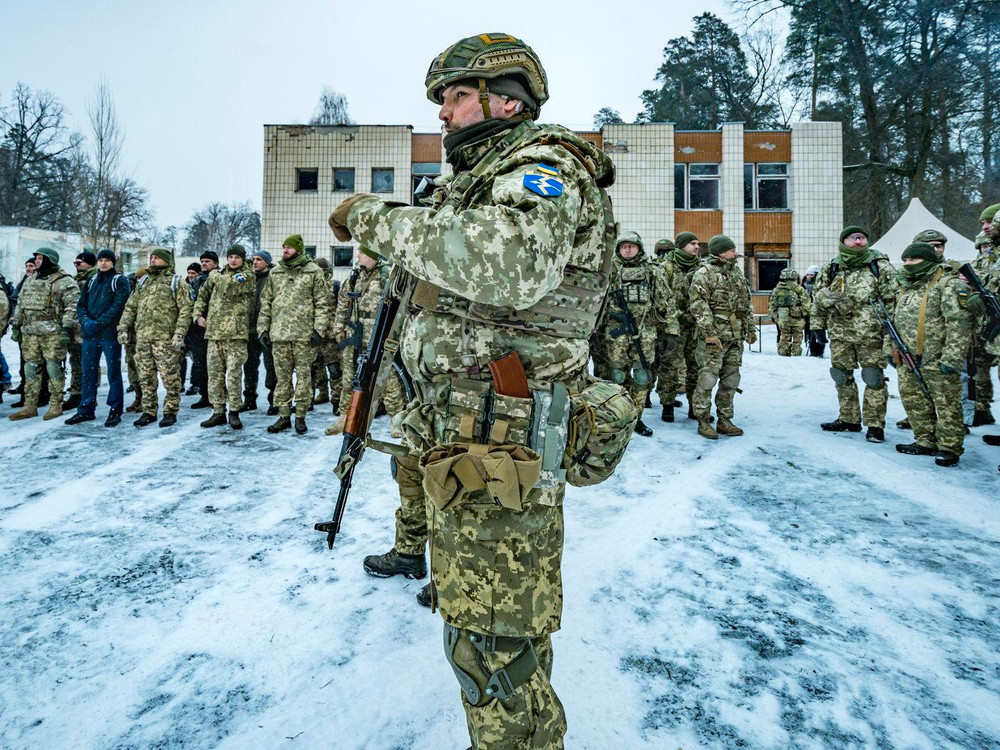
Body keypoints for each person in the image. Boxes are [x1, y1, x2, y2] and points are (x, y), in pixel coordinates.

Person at [328, 32, 617, 748]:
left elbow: (509, 263)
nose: (443, 112)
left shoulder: (542, 166)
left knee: (494, 649)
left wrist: (373, 218)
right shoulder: (480, 178)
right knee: (486, 631)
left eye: (456, 96)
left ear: (506, 100)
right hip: (466, 435)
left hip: (502, 445)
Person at [811, 226, 898, 443]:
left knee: (874, 377)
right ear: (843, 242)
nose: (858, 241)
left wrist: (890, 332)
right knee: (841, 376)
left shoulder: (879, 266)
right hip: (840, 333)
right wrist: (817, 327)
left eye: (862, 237)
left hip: (872, 334)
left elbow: (892, 300)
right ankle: (848, 418)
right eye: (852, 238)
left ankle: (875, 425)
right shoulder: (832, 267)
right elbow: (818, 298)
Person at [891, 243, 974, 466]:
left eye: (913, 260)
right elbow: (895, 321)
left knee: (946, 403)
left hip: (937, 358)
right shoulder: (906, 286)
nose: (908, 264)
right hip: (908, 357)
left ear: (928, 261)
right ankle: (925, 440)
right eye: (905, 260)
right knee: (913, 399)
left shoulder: (948, 284)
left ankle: (949, 447)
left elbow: (959, 323)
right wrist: (891, 350)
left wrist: (952, 357)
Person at [596, 231, 674, 436]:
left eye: (631, 246)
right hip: (616, 334)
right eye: (624, 246)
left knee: (642, 376)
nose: (628, 250)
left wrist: (671, 331)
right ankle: (617, 415)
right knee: (616, 376)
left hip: (645, 333)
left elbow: (667, 302)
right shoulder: (610, 270)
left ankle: (636, 418)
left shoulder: (652, 271)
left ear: (639, 248)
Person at [325, 247, 408, 436]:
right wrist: (339, 328)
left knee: (387, 380)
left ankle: (396, 420)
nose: (358, 256)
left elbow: (400, 305)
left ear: (372, 255)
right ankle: (344, 418)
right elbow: (342, 303)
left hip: (378, 336)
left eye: (362, 253)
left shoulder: (388, 275)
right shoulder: (354, 277)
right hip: (354, 334)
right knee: (349, 380)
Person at [257, 234, 329, 435]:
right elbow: (266, 303)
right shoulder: (276, 272)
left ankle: (300, 416)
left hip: (303, 336)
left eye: (289, 247)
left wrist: (318, 329)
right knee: (282, 378)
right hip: (279, 335)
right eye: (284, 247)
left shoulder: (313, 271)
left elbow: (322, 303)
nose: (285, 250)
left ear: (299, 249)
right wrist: (263, 329)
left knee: (304, 377)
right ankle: (283, 415)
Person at [688, 235, 756, 439]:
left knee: (731, 380)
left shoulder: (735, 272)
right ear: (720, 252)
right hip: (714, 338)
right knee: (707, 379)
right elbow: (698, 306)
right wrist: (710, 333)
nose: (735, 253)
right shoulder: (704, 273)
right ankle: (703, 420)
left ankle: (725, 420)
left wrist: (750, 328)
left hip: (735, 337)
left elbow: (745, 303)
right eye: (731, 250)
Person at [118, 249, 192, 428]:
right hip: (143, 338)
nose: (153, 260)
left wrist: (179, 333)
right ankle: (149, 410)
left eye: (157, 258)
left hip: (165, 339)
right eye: (152, 257)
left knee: (170, 377)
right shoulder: (144, 281)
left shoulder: (176, 282)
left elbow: (186, 309)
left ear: (166, 261)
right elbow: (131, 307)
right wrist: (123, 328)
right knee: (145, 377)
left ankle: (170, 411)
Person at [9, 247, 80, 421]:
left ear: (50, 260)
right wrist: (16, 325)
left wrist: (66, 329)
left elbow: (73, 306)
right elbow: (21, 304)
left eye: (40, 258)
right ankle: (29, 405)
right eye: (36, 258)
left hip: (53, 333)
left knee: (54, 367)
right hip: (30, 332)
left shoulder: (64, 281)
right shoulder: (30, 279)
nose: (37, 261)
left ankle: (56, 404)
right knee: (30, 368)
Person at [192, 244, 256, 430]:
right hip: (214, 332)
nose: (233, 260)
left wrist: (213, 275)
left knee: (233, 374)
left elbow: (228, 286)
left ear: (242, 259)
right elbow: (202, 295)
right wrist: (198, 315)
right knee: (214, 374)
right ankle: (218, 410)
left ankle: (234, 411)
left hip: (235, 334)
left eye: (237, 257)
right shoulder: (218, 274)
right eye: (231, 257)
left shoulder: (246, 275)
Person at [66, 249, 130, 426]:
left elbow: (119, 305)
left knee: (113, 372)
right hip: (90, 335)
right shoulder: (92, 281)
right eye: (101, 260)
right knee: (88, 372)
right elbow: (81, 305)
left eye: (107, 260)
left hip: (109, 335)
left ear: (112, 262)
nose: (103, 263)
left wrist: (100, 323)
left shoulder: (119, 280)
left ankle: (115, 409)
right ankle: (86, 409)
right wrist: (85, 321)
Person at [656, 232, 702, 422]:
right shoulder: (666, 267)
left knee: (696, 367)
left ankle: (695, 406)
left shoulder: (701, 268)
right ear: (681, 246)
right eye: (692, 243)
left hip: (696, 326)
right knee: (669, 367)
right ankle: (667, 405)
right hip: (672, 327)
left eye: (698, 243)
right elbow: (662, 298)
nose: (697, 247)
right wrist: (679, 316)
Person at [242, 250, 277, 414]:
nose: (255, 262)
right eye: (253, 259)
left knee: (271, 366)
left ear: (267, 262)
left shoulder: (274, 278)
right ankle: (249, 399)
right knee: (249, 366)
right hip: (249, 330)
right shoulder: (248, 278)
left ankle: (274, 400)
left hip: (267, 330)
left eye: (259, 259)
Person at [63, 251, 97, 411]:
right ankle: (77, 391)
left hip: (88, 326)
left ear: (89, 263)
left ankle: (88, 393)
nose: (76, 266)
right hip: (75, 327)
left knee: (89, 362)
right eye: (75, 263)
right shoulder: (75, 280)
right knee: (76, 360)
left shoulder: (95, 279)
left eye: (79, 263)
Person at [186, 251, 218, 408]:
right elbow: (190, 303)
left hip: (216, 328)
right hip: (198, 329)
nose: (204, 264)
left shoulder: (220, 278)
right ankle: (205, 395)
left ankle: (216, 397)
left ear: (216, 263)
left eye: (208, 261)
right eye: (202, 261)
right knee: (200, 365)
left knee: (216, 366)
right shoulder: (196, 282)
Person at [768, 268, 811, 356]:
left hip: (782, 318)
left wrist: (774, 316)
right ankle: (796, 356)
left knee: (784, 337)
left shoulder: (777, 289)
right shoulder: (798, 289)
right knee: (797, 338)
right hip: (797, 318)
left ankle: (783, 355)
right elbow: (807, 304)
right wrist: (804, 313)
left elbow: (771, 305)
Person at [800, 265, 827, 357]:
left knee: (819, 332)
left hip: (818, 312)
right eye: (807, 275)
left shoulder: (820, 285)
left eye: (811, 275)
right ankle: (812, 350)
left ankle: (819, 351)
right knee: (809, 333)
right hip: (807, 313)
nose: (809, 277)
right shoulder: (803, 286)